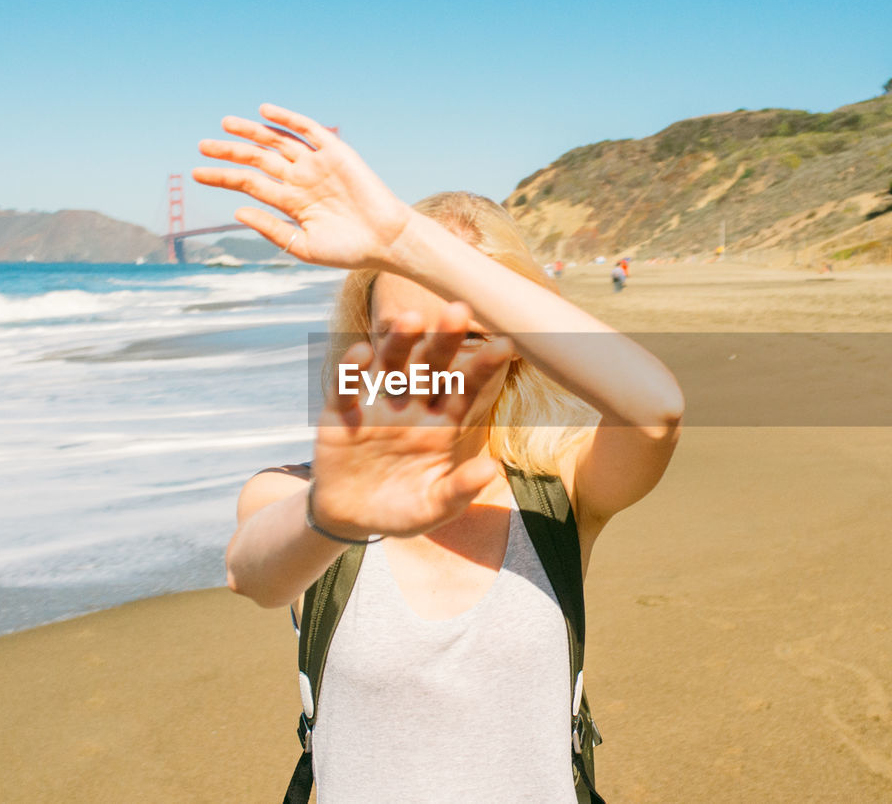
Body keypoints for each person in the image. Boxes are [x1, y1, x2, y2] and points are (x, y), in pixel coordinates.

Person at [193, 104, 684, 802]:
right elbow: (255, 576)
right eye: (407, 333)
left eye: (473, 334)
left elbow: (656, 410)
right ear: (368, 336)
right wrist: (329, 514)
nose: (437, 365)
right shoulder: (298, 495)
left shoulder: (562, 491)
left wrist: (402, 240)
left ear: (518, 351)